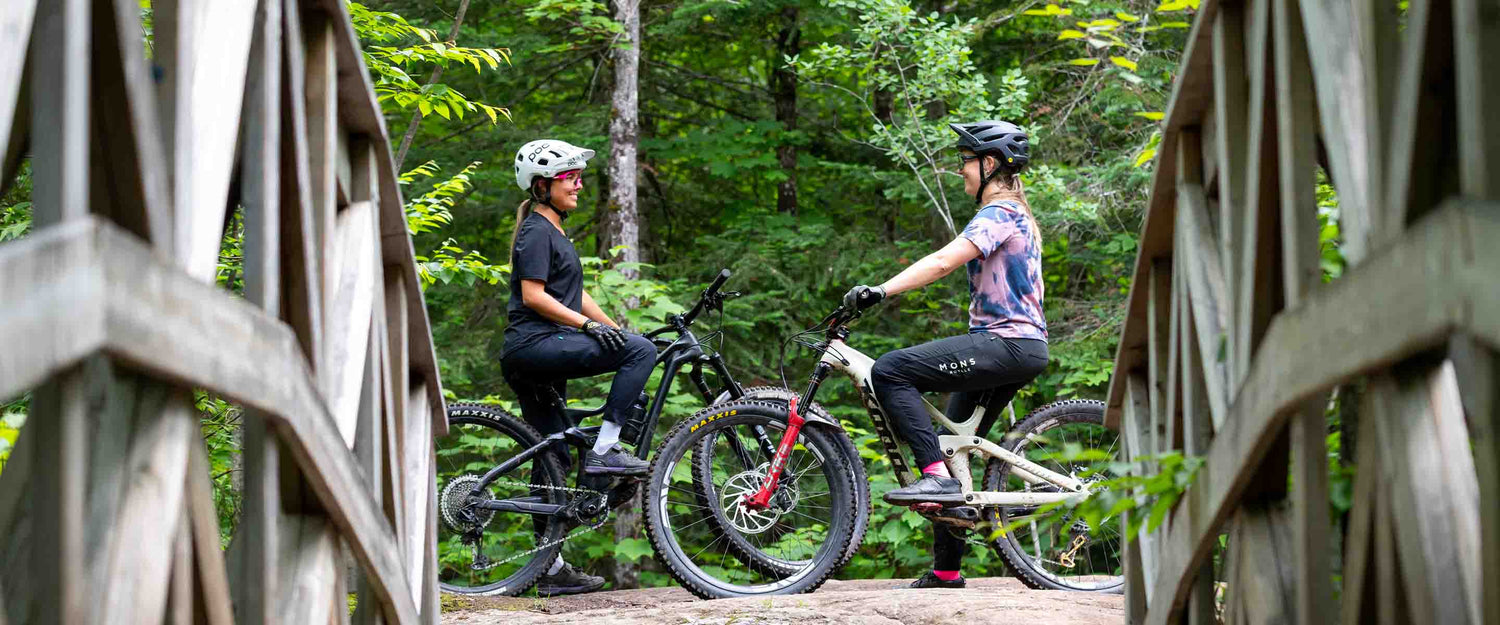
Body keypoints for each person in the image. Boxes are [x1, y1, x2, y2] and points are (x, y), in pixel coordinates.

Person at [842, 120, 1048, 590]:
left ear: (989, 163)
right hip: (1019, 345)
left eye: (965, 162)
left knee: (891, 370)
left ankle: (936, 479)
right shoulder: (1015, 214)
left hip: (1007, 343)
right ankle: (947, 569)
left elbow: (941, 262)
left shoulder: (999, 212)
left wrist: (881, 290)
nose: (961, 171)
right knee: (951, 444)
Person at [501, 139, 657, 595]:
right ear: (543, 185)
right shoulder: (534, 231)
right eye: (572, 178)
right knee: (640, 356)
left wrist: (617, 330)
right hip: (535, 346)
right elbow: (534, 296)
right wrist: (598, 330)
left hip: (542, 349)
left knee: (553, 454)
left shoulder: (554, 233)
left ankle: (548, 569)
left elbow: (574, 295)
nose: (580, 185)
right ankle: (606, 451)